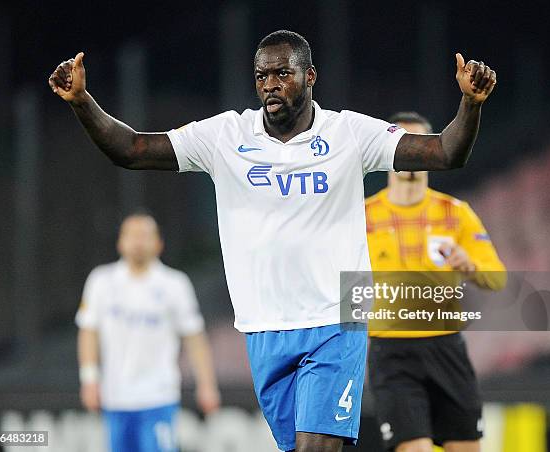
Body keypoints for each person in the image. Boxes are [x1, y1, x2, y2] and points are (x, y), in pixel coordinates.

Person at [50, 30, 497, 452]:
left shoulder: (349, 133)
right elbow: (132, 149)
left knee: (316, 446)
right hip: (263, 323)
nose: (271, 85)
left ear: (309, 76)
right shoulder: (225, 135)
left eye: (283, 73)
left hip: (336, 316)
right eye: (262, 76)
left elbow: (444, 152)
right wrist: (82, 101)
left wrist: (470, 105)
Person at [365, 112, 506, 452]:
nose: (412, 155)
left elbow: (496, 278)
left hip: (446, 348)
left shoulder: (455, 212)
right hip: (391, 351)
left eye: (420, 146)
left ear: (433, 152)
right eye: (403, 147)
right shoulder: (361, 217)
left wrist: (470, 266)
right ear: (387, 154)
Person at [76, 211, 220, 452]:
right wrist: (89, 379)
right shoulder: (101, 281)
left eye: (145, 235)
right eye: (132, 235)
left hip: (158, 397)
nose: (138, 241)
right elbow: (88, 331)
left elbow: (194, 338)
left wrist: (207, 384)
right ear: (120, 242)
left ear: (159, 243)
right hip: (116, 398)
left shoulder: (175, 284)